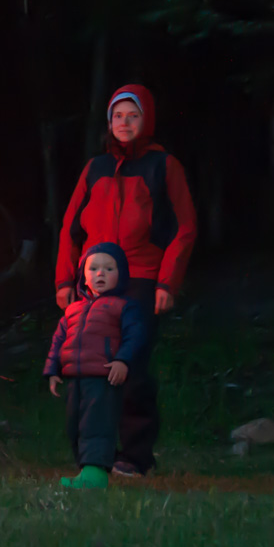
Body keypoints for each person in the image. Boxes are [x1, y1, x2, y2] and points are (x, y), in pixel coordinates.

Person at [55, 84, 197, 477]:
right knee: (86, 367)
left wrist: (168, 283)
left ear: (146, 120)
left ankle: (135, 457)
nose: (124, 123)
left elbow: (185, 227)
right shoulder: (95, 168)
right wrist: (65, 281)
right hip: (93, 280)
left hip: (140, 277)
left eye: (132, 116)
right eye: (118, 116)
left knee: (129, 366)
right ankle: (91, 455)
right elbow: (70, 227)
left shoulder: (163, 166)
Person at [44, 243, 146, 488]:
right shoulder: (73, 310)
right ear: (84, 276)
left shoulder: (123, 306)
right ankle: (86, 469)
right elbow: (59, 340)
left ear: (121, 273)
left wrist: (123, 360)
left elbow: (135, 335)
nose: (101, 273)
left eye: (109, 268)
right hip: (75, 378)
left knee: (97, 422)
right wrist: (52, 370)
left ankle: (95, 474)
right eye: (94, 268)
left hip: (104, 377)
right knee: (75, 424)